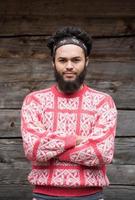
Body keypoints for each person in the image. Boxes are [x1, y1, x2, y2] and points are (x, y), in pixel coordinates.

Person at [21, 26, 117, 200]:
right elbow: (33, 149)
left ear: (86, 61)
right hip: (44, 196)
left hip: (91, 196)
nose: (69, 66)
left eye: (76, 60)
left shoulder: (103, 102)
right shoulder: (34, 101)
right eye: (63, 60)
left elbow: (102, 153)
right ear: (53, 62)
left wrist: (51, 149)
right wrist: (75, 140)